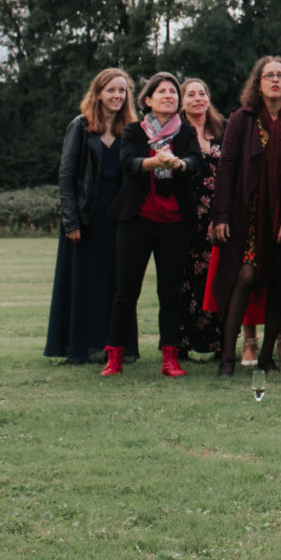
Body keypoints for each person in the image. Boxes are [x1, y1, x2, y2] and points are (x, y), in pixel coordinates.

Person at [208, 56, 281, 377]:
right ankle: (228, 355)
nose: (274, 80)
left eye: (280, 75)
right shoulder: (241, 119)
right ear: (258, 82)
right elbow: (226, 167)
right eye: (268, 75)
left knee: (280, 283)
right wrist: (221, 215)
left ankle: (267, 356)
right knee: (243, 276)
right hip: (247, 212)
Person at [102, 71, 205, 378]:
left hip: (174, 224)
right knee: (125, 293)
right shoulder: (134, 130)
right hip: (136, 221)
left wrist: (180, 163)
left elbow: (195, 162)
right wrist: (154, 162)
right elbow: (127, 164)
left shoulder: (185, 132)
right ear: (148, 100)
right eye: (162, 92)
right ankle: (114, 357)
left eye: (173, 92)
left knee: (169, 294)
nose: (169, 96)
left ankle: (170, 358)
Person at [45, 69, 136, 365]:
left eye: (122, 91)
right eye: (111, 90)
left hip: (119, 218)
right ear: (98, 93)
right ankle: (78, 348)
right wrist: (70, 221)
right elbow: (67, 175)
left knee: (117, 283)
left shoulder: (130, 129)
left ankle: (115, 347)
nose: (117, 96)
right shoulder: (81, 126)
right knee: (82, 283)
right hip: (86, 218)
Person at [177, 77, 228, 360]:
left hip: (217, 216)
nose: (198, 98)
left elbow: (231, 172)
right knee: (183, 279)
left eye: (202, 93)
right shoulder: (176, 132)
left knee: (216, 277)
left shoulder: (223, 129)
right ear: (182, 101)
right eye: (191, 94)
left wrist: (222, 214)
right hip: (184, 215)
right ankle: (180, 344)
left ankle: (219, 343)